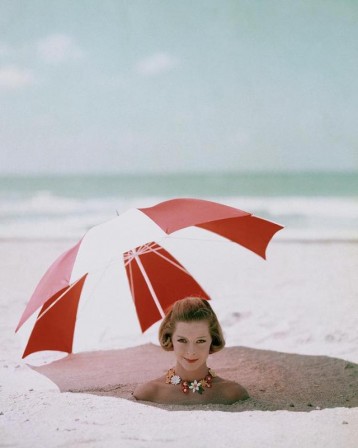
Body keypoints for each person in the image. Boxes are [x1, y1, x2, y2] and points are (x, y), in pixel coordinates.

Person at [133, 296, 249, 404]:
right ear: (170, 339)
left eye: (200, 341)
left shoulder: (233, 394)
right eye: (182, 340)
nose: (191, 351)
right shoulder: (148, 393)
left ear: (213, 340)